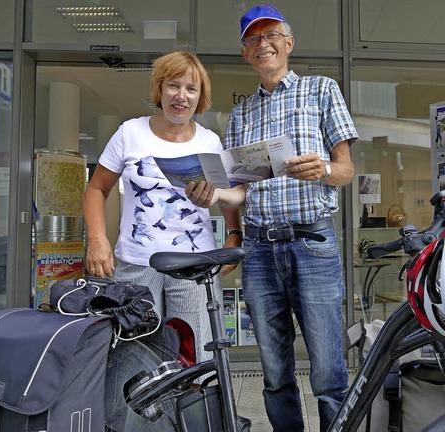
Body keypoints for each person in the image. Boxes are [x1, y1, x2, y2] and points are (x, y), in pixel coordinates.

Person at [187, 4, 358, 431]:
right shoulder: (241, 113)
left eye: (271, 36)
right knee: (275, 373)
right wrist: (213, 195)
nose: (263, 44)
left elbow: (346, 170)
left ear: (288, 43)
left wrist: (323, 169)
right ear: (246, 53)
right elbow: (240, 189)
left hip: (312, 245)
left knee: (327, 374)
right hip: (261, 250)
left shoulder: (321, 89)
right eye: (253, 39)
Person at [83, 51, 242, 364]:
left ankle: (192, 414)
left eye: (191, 89)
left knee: (194, 357)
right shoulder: (130, 133)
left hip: (195, 268)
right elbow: (96, 188)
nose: (181, 96)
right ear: (160, 89)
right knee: (135, 359)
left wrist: (234, 234)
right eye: (174, 86)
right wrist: (98, 240)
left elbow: (224, 195)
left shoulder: (209, 142)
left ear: (201, 97)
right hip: (138, 265)